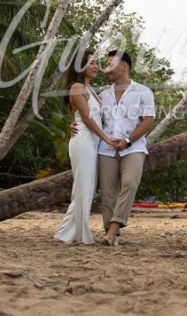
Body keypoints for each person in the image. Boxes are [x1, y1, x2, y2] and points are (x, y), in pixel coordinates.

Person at [70, 50, 155, 246]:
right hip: (106, 149)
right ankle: (110, 235)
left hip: (133, 148)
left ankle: (113, 229)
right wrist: (73, 124)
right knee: (107, 193)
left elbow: (147, 120)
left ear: (123, 67)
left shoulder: (143, 92)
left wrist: (128, 140)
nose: (105, 69)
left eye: (110, 65)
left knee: (130, 183)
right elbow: (89, 116)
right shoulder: (102, 95)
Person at [54, 50, 119, 245]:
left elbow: (98, 117)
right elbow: (87, 119)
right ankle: (76, 234)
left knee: (86, 187)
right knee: (83, 186)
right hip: (83, 139)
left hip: (92, 141)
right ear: (80, 66)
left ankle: (66, 232)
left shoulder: (90, 89)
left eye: (96, 63)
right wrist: (105, 138)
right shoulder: (77, 87)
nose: (96, 66)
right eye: (91, 63)